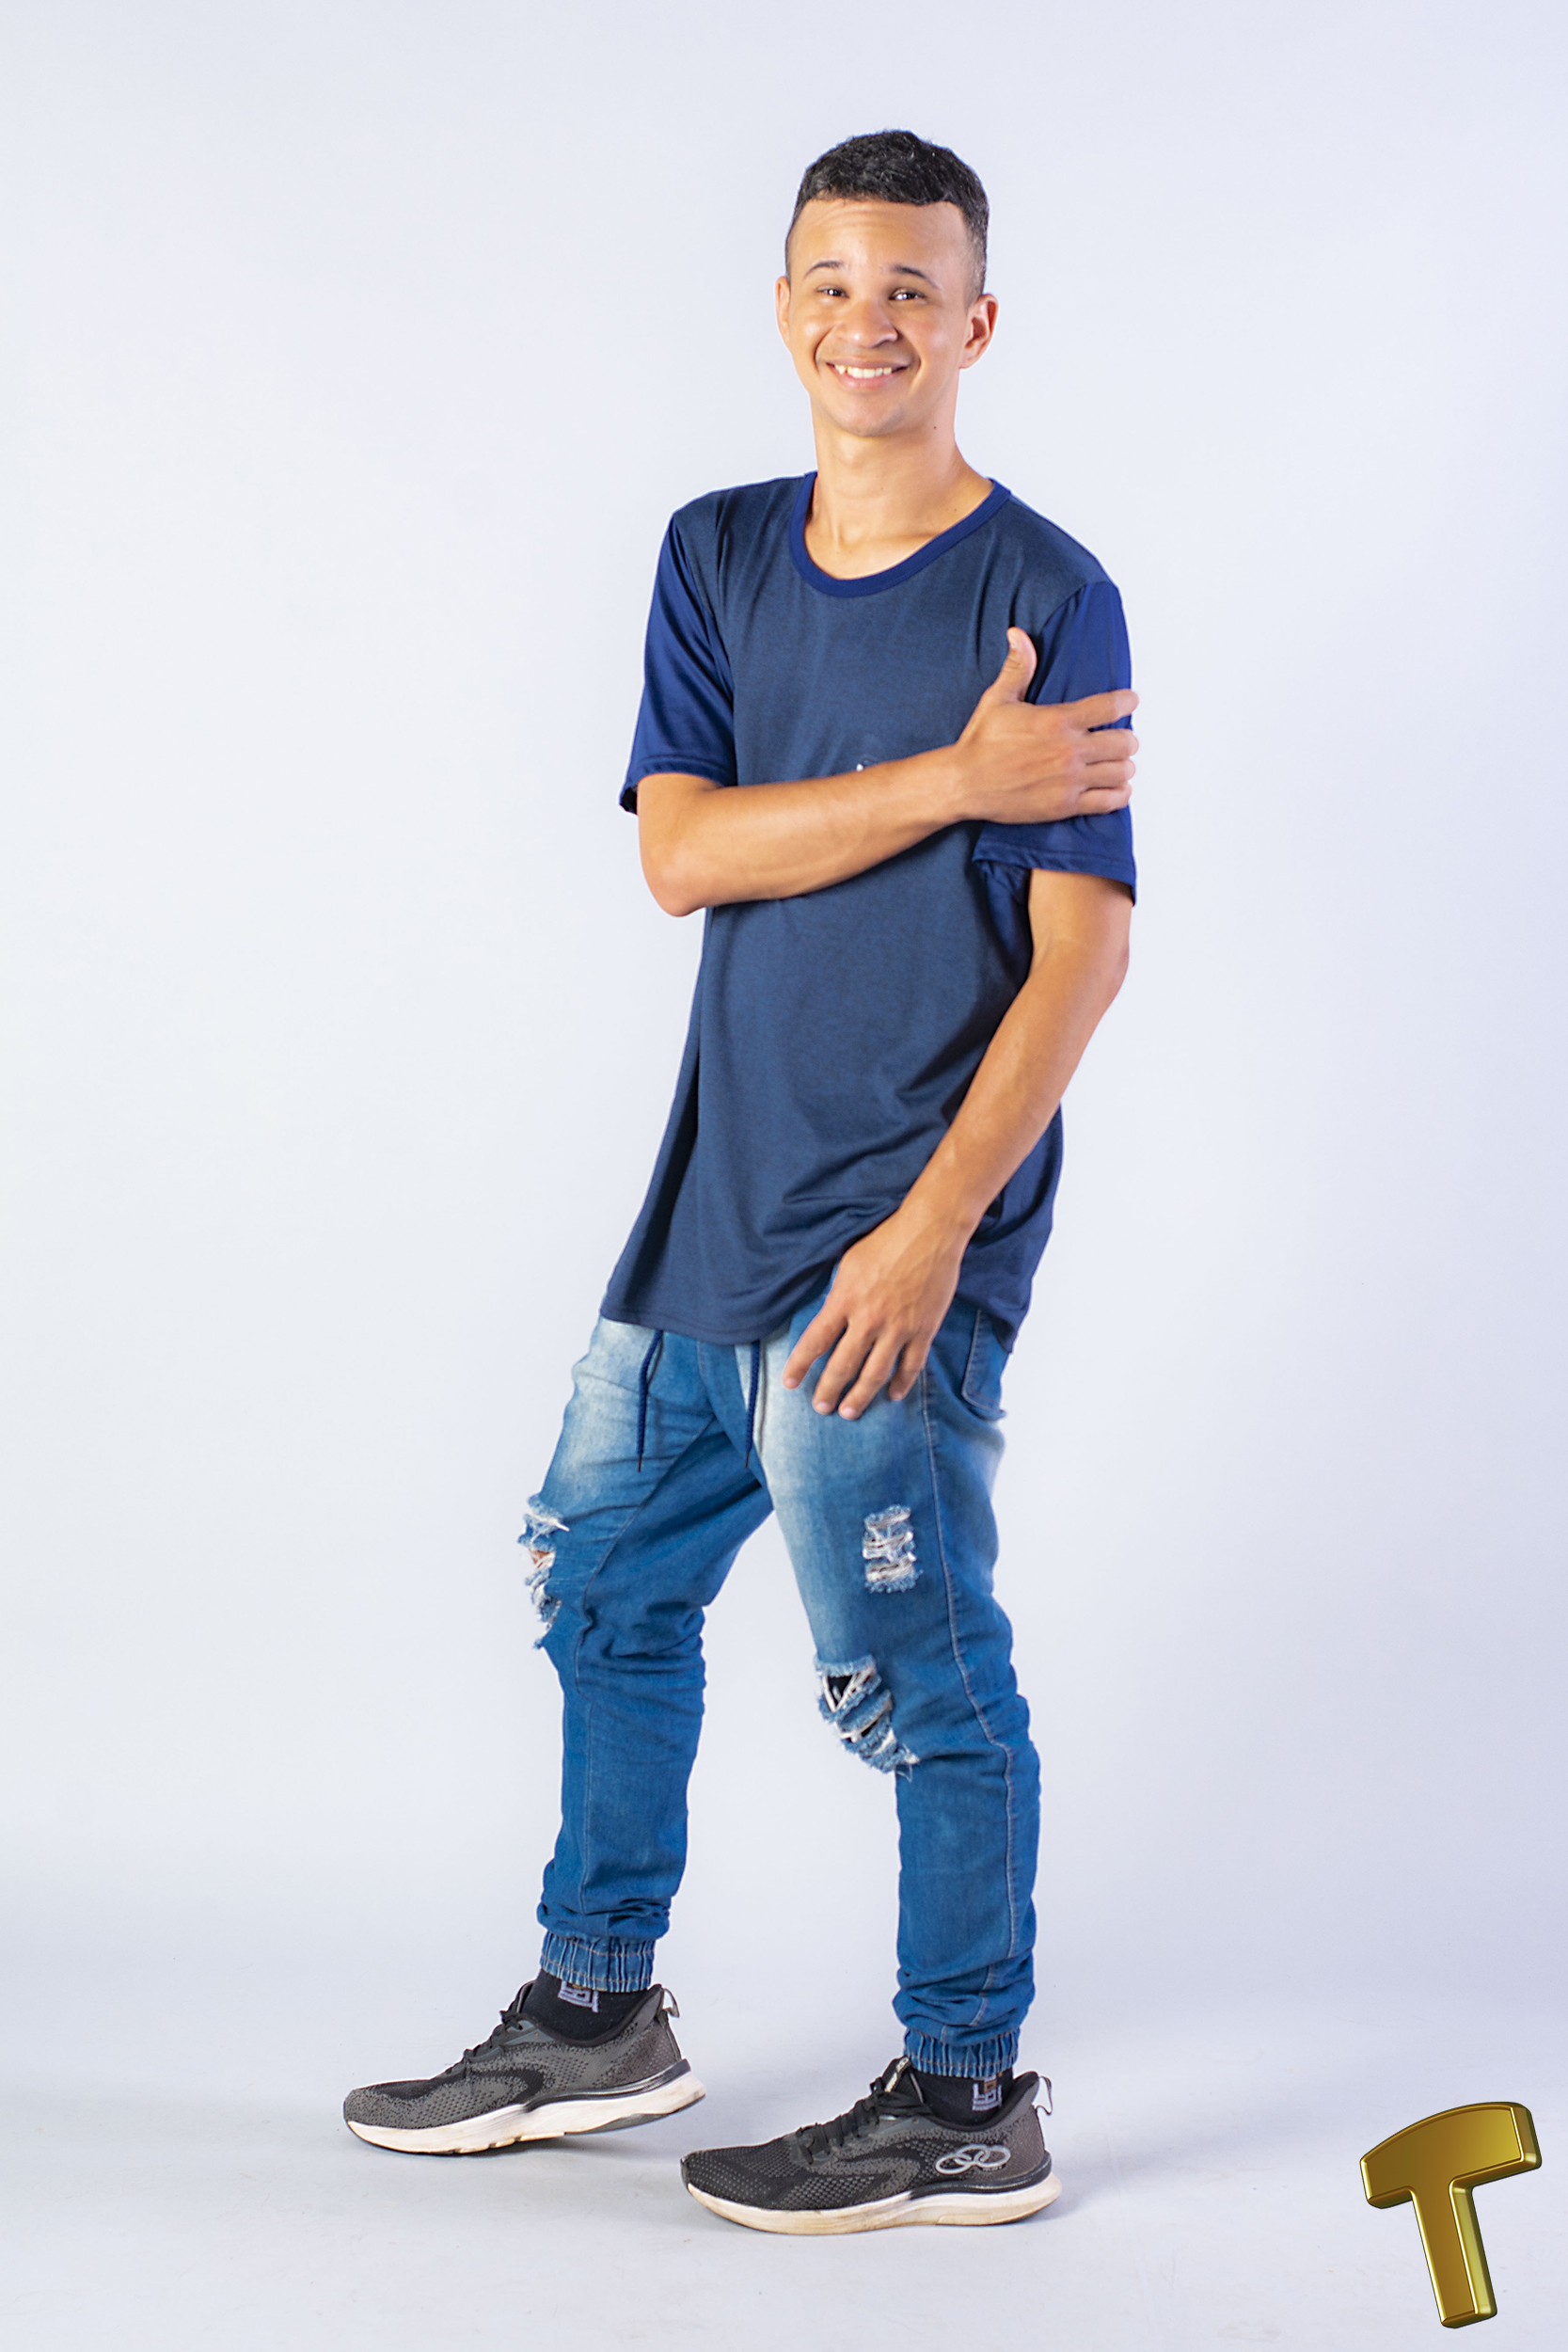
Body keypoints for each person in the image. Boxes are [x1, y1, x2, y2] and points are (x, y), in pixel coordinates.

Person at [343, 127, 1138, 2237]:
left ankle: (966, 2090)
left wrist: (937, 1228)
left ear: (977, 322)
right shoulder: (715, 556)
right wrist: (955, 778)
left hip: (889, 1249)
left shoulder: (1046, 593)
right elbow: (683, 852)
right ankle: (598, 2008)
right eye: (834, 280)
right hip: (705, 1224)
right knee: (603, 1588)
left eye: (912, 287)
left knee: (919, 1681)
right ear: (785, 307)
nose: (869, 319)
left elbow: (1083, 954)